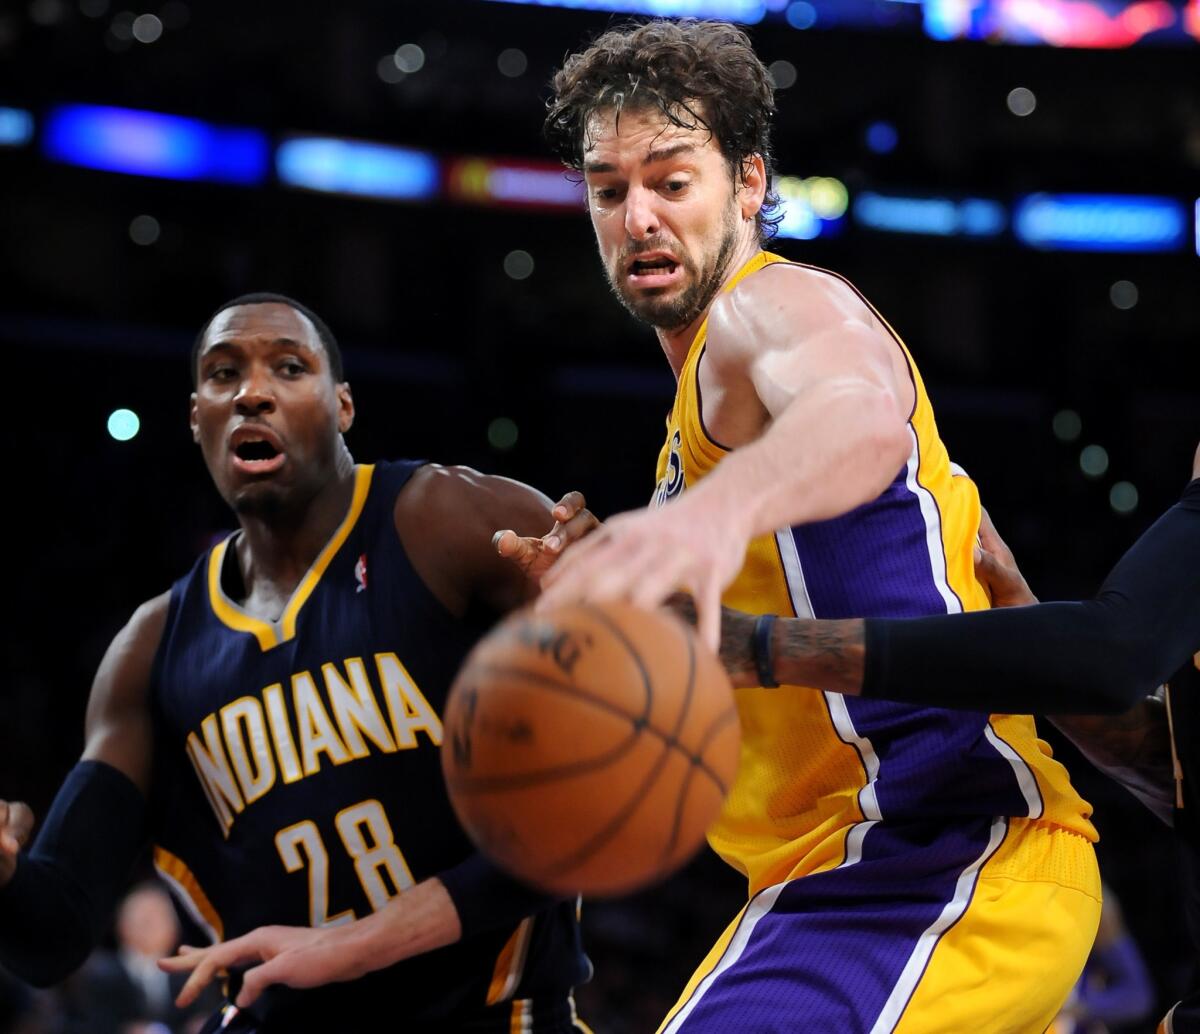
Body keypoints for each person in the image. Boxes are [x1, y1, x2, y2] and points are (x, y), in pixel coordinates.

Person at [535, 17, 1103, 1033]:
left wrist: (703, 519)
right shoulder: (697, 410)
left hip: (944, 850)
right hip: (823, 881)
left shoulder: (774, 307)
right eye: (609, 188)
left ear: (749, 185)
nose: (637, 216)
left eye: (673, 180)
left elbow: (856, 421)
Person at [0, 293, 599, 1033]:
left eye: (289, 367)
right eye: (223, 375)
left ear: (342, 405)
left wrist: (614, 618)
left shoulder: (451, 523)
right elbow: (48, 933)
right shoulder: (150, 650)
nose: (252, 392)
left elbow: (599, 799)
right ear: (197, 419)